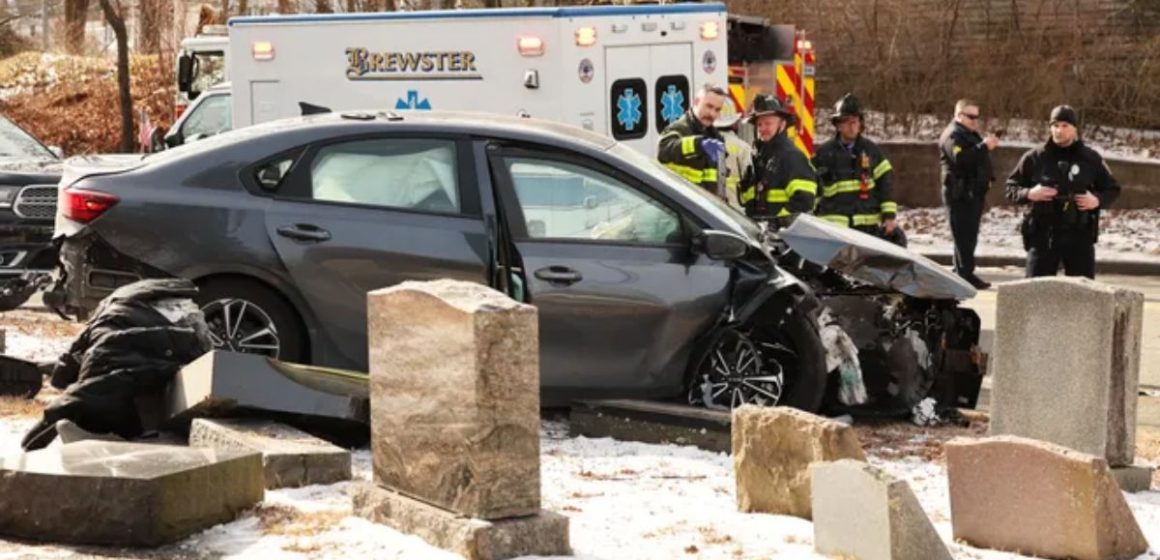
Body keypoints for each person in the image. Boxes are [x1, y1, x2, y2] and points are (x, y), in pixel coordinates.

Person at [1005, 105, 1120, 278]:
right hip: (1044, 233)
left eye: (1065, 126)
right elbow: (1011, 187)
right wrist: (1029, 194)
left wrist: (1097, 200)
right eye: (1055, 125)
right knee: (1035, 292)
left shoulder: (1090, 158)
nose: (1059, 130)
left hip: (1079, 234)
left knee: (1082, 294)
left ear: (1075, 128)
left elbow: (1113, 189)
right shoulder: (1035, 157)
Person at [813, 93, 904, 245]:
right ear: (838, 125)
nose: (852, 126)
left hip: (867, 227)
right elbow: (813, 188)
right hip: (834, 228)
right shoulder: (823, 154)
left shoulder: (872, 151)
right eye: (847, 122)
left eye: (855, 121)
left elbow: (886, 185)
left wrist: (889, 217)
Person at [939, 99, 999, 289]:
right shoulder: (953, 135)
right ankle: (965, 274)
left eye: (977, 117)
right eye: (970, 116)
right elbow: (960, 158)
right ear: (958, 115)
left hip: (971, 193)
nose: (975, 121)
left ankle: (962, 273)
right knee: (964, 235)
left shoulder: (969, 134)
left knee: (968, 235)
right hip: (960, 194)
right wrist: (983, 147)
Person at [739, 94, 817, 226]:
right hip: (759, 236)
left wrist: (776, 225)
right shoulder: (758, 158)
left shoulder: (792, 156)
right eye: (759, 124)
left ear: (782, 125)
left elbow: (803, 201)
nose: (762, 129)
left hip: (781, 240)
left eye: (768, 123)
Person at [657, 83, 728, 196]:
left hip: (703, 206)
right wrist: (698, 144)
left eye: (717, 109)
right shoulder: (680, 128)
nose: (712, 114)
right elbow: (664, 150)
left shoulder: (715, 137)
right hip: (679, 203)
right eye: (709, 106)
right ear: (696, 102)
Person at [714, 110, 753, 210]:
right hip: (735, 210)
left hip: (710, 207)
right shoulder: (743, 147)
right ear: (734, 124)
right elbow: (750, 178)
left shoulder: (705, 143)